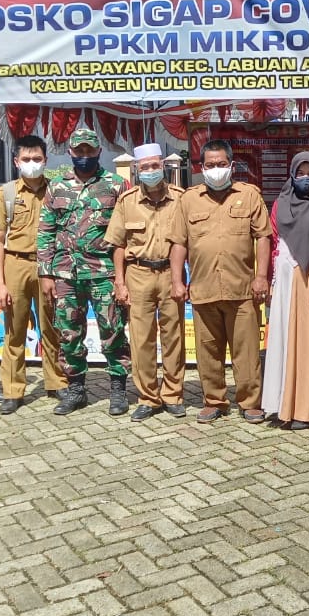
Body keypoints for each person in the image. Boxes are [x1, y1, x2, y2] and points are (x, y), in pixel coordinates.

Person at [169, 139, 270, 424]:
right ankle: (214, 400)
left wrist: (261, 276)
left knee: (247, 351)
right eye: (210, 165)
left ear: (231, 165)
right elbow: (178, 243)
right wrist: (177, 281)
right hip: (203, 289)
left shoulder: (249, 196)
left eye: (221, 164)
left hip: (242, 290)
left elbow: (263, 237)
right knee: (208, 351)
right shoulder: (188, 200)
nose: (216, 170)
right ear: (201, 167)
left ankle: (250, 402)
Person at [37, 127, 130, 416]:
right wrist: (45, 274)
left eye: (90, 150)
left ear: (99, 151)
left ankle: (118, 390)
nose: (84, 155)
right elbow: (45, 232)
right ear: (71, 153)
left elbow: (125, 235)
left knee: (112, 332)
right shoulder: (56, 187)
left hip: (103, 273)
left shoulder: (117, 185)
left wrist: (121, 277)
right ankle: (76, 389)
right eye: (79, 151)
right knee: (69, 334)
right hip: (65, 275)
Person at [104, 143, 187, 422]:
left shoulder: (180, 198)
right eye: (146, 167)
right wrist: (120, 282)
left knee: (173, 336)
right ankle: (148, 397)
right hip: (137, 273)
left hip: (169, 273)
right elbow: (117, 244)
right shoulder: (127, 201)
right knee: (141, 340)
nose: (151, 171)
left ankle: (173, 394)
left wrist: (179, 279)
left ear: (163, 165)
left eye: (155, 165)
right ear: (138, 170)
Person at [0, 135, 67, 416]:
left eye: (37, 159)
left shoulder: (56, 190)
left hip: (49, 267)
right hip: (16, 264)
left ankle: (56, 382)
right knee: (14, 330)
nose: (32, 164)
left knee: (51, 326)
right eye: (26, 159)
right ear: (16, 161)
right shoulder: (6, 193)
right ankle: (12, 390)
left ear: (45, 160)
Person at [262, 151, 309, 430]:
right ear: (292, 173)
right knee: (282, 343)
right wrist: (271, 281)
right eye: (300, 172)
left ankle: (308, 409)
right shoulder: (280, 203)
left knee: (308, 348)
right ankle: (283, 403)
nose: (305, 178)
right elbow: (273, 243)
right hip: (283, 282)